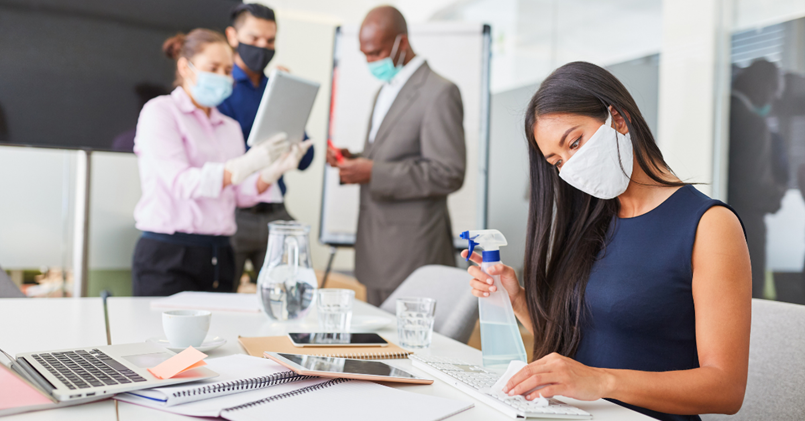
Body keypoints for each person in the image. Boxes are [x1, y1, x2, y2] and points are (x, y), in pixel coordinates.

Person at [464, 62, 751, 421]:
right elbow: (579, 352)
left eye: (575, 143)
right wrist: (517, 299)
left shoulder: (709, 226)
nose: (570, 166)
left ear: (617, 117)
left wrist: (602, 382)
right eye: (557, 162)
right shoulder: (591, 223)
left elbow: (726, 390)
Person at [132, 29, 308, 296]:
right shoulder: (161, 112)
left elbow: (239, 194)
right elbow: (182, 183)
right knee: (162, 337)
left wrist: (272, 172)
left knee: (219, 338)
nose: (223, 77)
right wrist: (244, 165)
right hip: (169, 254)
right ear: (185, 67)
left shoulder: (229, 127)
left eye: (227, 70)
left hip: (220, 254)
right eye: (212, 68)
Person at [326, 6, 466, 306]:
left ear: (401, 43)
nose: (370, 62)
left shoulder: (439, 92)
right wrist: (355, 159)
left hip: (413, 255)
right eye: (364, 54)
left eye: (375, 53)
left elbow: (449, 171)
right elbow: (392, 154)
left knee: (410, 348)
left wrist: (372, 172)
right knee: (380, 346)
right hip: (376, 251)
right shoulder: (383, 91)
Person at [219, 3, 315, 289]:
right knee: (220, 295)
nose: (262, 46)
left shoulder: (277, 88)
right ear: (233, 36)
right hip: (234, 212)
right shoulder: (222, 89)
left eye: (270, 40)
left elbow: (306, 157)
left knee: (292, 292)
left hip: (274, 210)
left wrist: (285, 96)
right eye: (254, 39)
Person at [728, 59, 785, 298]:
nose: (771, 101)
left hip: (714, 219)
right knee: (749, 300)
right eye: (773, 92)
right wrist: (776, 197)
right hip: (745, 227)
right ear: (761, 85)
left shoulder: (715, 112)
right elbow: (755, 187)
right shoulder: (752, 123)